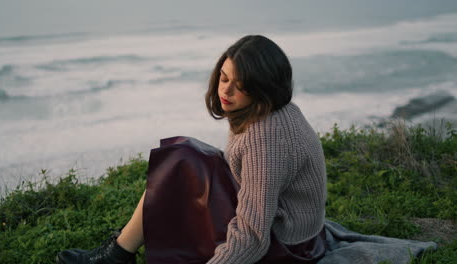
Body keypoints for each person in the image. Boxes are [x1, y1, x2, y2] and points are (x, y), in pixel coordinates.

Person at [57, 35, 328, 264]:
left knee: (180, 162)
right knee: (182, 157)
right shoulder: (272, 110)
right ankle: (119, 251)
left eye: (240, 86)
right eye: (224, 78)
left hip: (284, 248)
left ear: (263, 90)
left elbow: (253, 237)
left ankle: (117, 254)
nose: (226, 91)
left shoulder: (265, 138)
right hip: (297, 233)